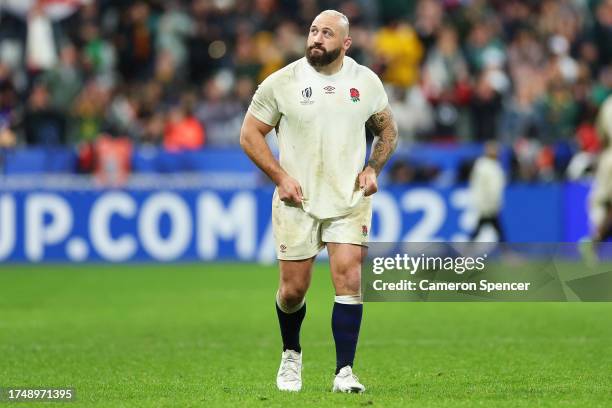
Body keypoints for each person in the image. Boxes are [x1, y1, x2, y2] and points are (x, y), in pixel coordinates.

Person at [240, 10, 397, 393]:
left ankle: (344, 372)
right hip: (299, 200)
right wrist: (280, 178)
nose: (316, 38)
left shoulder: (365, 81)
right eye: (313, 31)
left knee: (350, 278)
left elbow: (387, 131)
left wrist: (372, 167)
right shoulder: (282, 82)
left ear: (345, 43)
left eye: (326, 33)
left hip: (348, 198)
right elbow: (250, 134)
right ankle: (291, 354)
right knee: (293, 291)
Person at [469, 141, 506, 241]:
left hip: (491, 203)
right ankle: (508, 252)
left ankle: (465, 251)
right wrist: (486, 201)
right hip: (487, 203)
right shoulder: (483, 165)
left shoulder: (494, 165)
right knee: (494, 228)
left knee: (495, 228)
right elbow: (480, 186)